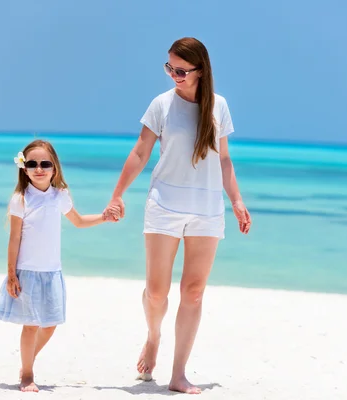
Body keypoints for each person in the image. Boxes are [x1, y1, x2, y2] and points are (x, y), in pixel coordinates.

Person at [103, 37, 252, 394]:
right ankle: (153, 337)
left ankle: (179, 373)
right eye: (169, 67)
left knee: (194, 292)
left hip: (207, 210)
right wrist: (117, 194)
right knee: (157, 294)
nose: (174, 75)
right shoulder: (161, 105)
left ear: (201, 70)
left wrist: (237, 201)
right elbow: (140, 152)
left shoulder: (219, 107)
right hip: (164, 206)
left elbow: (224, 159)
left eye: (181, 70)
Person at [0, 139, 118, 392]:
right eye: (32, 164)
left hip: (52, 273)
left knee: (49, 325)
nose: (39, 168)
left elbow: (79, 221)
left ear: (54, 168)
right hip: (27, 273)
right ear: (24, 168)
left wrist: (104, 217)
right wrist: (11, 274)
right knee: (31, 325)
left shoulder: (60, 196)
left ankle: (28, 360)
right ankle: (27, 374)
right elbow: (14, 238)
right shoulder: (21, 199)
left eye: (45, 163)